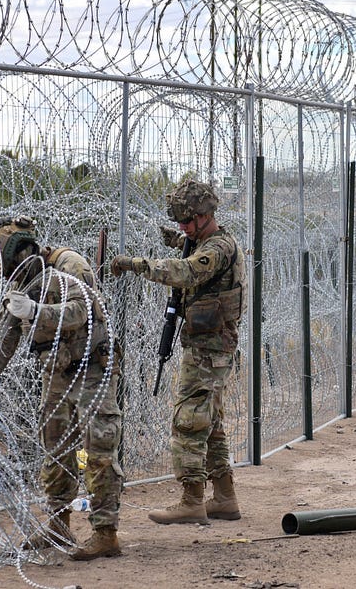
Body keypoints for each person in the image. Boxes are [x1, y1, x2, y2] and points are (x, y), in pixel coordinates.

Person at [0, 215, 124, 560]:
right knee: (55, 449)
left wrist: (38, 309)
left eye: (11, 270)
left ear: (23, 253)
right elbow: (4, 338)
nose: (10, 279)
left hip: (90, 370)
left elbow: (81, 312)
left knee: (98, 452)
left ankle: (106, 534)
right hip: (56, 373)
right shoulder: (24, 283)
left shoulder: (70, 266)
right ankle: (58, 523)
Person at [110, 179, 244, 524]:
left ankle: (191, 500)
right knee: (210, 423)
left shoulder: (217, 249)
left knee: (188, 422)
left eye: (186, 221)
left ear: (203, 216)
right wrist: (174, 238)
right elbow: (187, 249)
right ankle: (224, 497)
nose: (182, 228)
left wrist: (136, 264)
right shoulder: (206, 242)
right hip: (208, 346)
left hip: (208, 350)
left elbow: (186, 271)